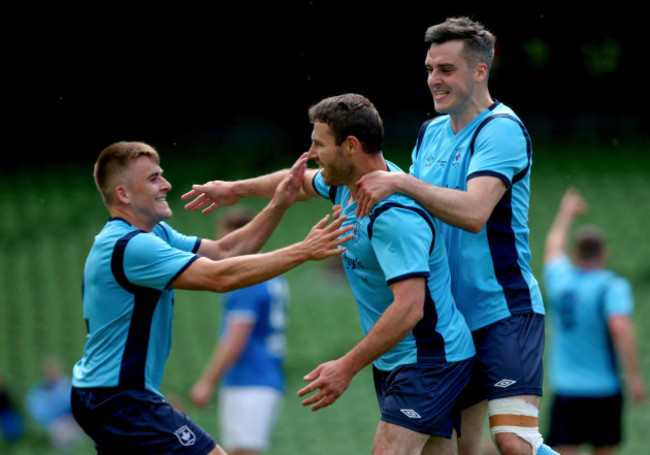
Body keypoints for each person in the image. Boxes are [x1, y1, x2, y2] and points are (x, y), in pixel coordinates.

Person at [183, 17, 558, 455]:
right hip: (452, 315)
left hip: (501, 309)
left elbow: (474, 213)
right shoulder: (431, 132)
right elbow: (307, 180)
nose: (434, 80)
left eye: (447, 69)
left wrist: (399, 183)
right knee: (465, 450)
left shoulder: (502, 129)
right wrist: (234, 189)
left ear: (480, 71)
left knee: (514, 442)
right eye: (429, 68)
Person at [187, 93, 476, 455]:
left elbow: (410, 307)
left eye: (318, 144)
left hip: (430, 358)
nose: (310, 152)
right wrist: (234, 189)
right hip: (398, 359)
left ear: (351, 147)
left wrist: (346, 366)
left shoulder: (393, 216)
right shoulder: (344, 184)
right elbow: (298, 183)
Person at [70, 141, 353, 455]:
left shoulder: (154, 234)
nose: (166, 184)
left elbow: (224, 252)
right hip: (120, 398)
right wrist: (304, 250)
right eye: (153, 178)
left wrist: (279, 204)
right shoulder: (131, 245)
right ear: (123, 194)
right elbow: (219, 277)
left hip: (108, 395)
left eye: (161, 175)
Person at [542, 187, 646, 455]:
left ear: (576, 254)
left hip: (567, 388)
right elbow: (620, 327)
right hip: (604, 388)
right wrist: (633, 376)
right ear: (604, 254)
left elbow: (553, 247)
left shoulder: (560, 281)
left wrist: (566, 213)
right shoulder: (612, 286)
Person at [191, 207, 290, 455]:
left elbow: (236, 339)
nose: (221, 250)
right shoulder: (269, 274)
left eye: (226, 241)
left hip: (250, 377)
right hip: (262, 374)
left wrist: (206, 382)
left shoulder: (245, 280)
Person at [25, 356, 84, 451]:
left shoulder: (67, 385)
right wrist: (59, 411)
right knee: (61, 432)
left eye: (55, 371)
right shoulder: (37, 392)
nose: (53, 374)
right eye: (49, 372)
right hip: (53, 424)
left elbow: (76, 404)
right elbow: (39, 414)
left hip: (71, 420)